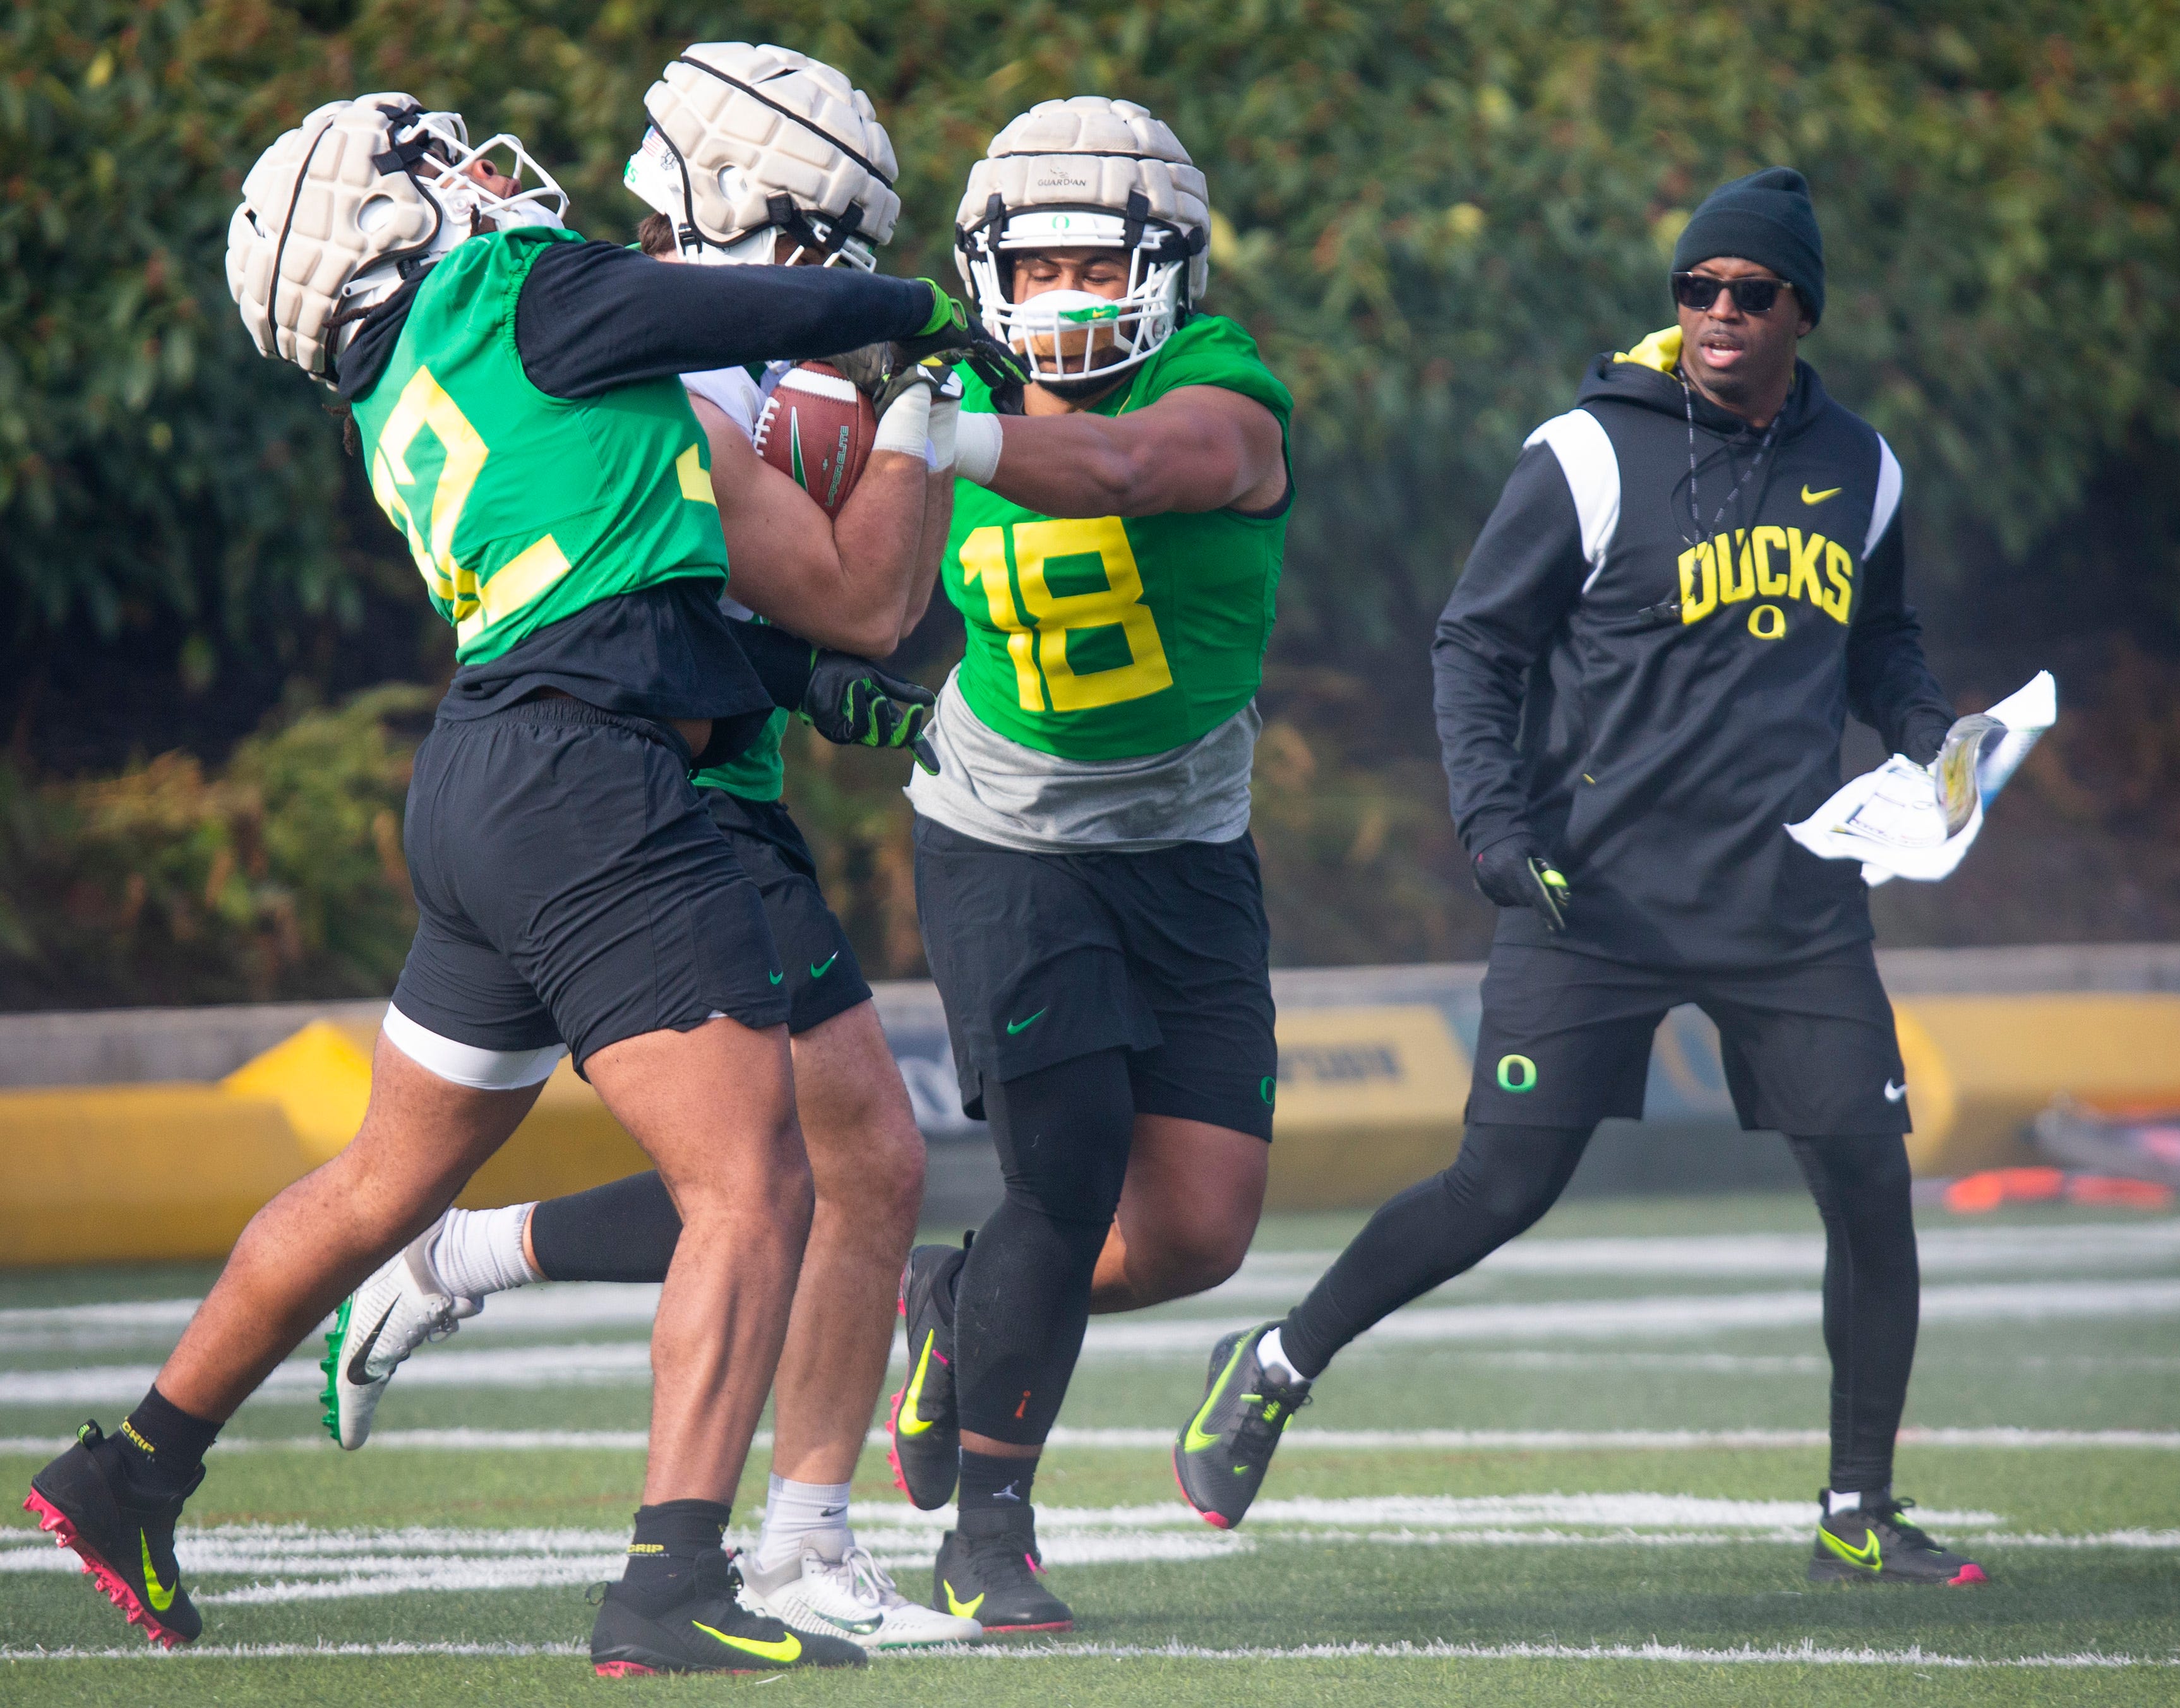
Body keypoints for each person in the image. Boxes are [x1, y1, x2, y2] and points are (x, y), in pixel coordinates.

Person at [21, 93, 977, 1673]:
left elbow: (664, 579)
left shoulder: (412, 387)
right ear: (387, 220)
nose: (478, 177)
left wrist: (792, 676)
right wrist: (910, 312)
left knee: (380, 1185)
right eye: (433, 164)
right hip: (591, 778)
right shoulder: (505, 293)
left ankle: (131, 1467)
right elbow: (747, 305)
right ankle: (669, 1586)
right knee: (756, 1186)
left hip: (494, 773)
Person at [1173, 167, 1990, 1591]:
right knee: (1499, 1188)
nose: (1719, 315)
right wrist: (1492, 827)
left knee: (1867, 1185)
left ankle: (1858, 1508)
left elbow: (1881, 650)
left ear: (1804, 312)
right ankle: (1278, 1363)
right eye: (1697, 290)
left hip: (1790, 905)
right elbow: (1473, 648)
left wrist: (1941, 737)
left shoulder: (1865, 468)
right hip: (1591, 897)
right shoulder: (1587, 451)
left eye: (1751, 294)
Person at [314, 44, 979, 1652]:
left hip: (697, 774)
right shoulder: (658, 358)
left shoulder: (693, 339)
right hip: (644, 797)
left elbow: (851, 632)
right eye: (820, 235)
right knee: (784, 1171)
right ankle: (729, 1551)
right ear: (741, 198)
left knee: (857, 1161)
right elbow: (859, 600)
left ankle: (782, 1527)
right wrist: (920, 424)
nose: (836, 272)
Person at [887, 95, 1295, 1633]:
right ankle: (990, 1528)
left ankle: (953, 1300)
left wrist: (948, 428)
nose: (1064, 296)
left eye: (1095, 262)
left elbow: (1128, 472)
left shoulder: (1224, 391)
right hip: (1003, 835)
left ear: (1173, 266)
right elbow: (852, 571)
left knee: (1194, 1232)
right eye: (1036, 265)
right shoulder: (934, 381)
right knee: (1061, 1176)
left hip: (1185, 840)